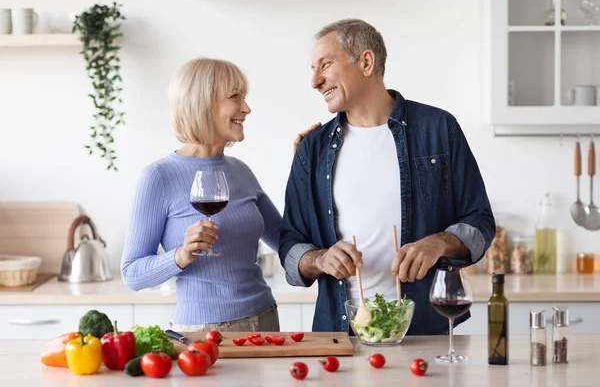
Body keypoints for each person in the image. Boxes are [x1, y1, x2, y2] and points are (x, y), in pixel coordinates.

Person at [279, 19, 495, 335]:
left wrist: (439, 243)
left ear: (366, 62)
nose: (315, 81)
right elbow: (289, 246)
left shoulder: (438, 129)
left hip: (425, 331)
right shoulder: (312, 149)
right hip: (341, 337)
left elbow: (480, 222)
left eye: (325, 65)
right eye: (313, 69)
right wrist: (321, 259)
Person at [121, 57, 318, 332]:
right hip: (204, 330)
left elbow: (287, 238)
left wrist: (305, 170)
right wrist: (180, 255)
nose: (246, 108)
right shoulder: (159, 176)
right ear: (203, 104)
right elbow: (132, 273)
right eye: (235, 96)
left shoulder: (240, 171)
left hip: (265, 318)